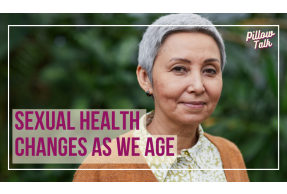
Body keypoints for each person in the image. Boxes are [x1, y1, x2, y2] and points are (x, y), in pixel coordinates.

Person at [73, 13, 249, 182]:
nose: (197, 86)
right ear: (145, 78)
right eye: (179, 68)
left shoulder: (229, 155)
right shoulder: (103, 167)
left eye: (210, 70)